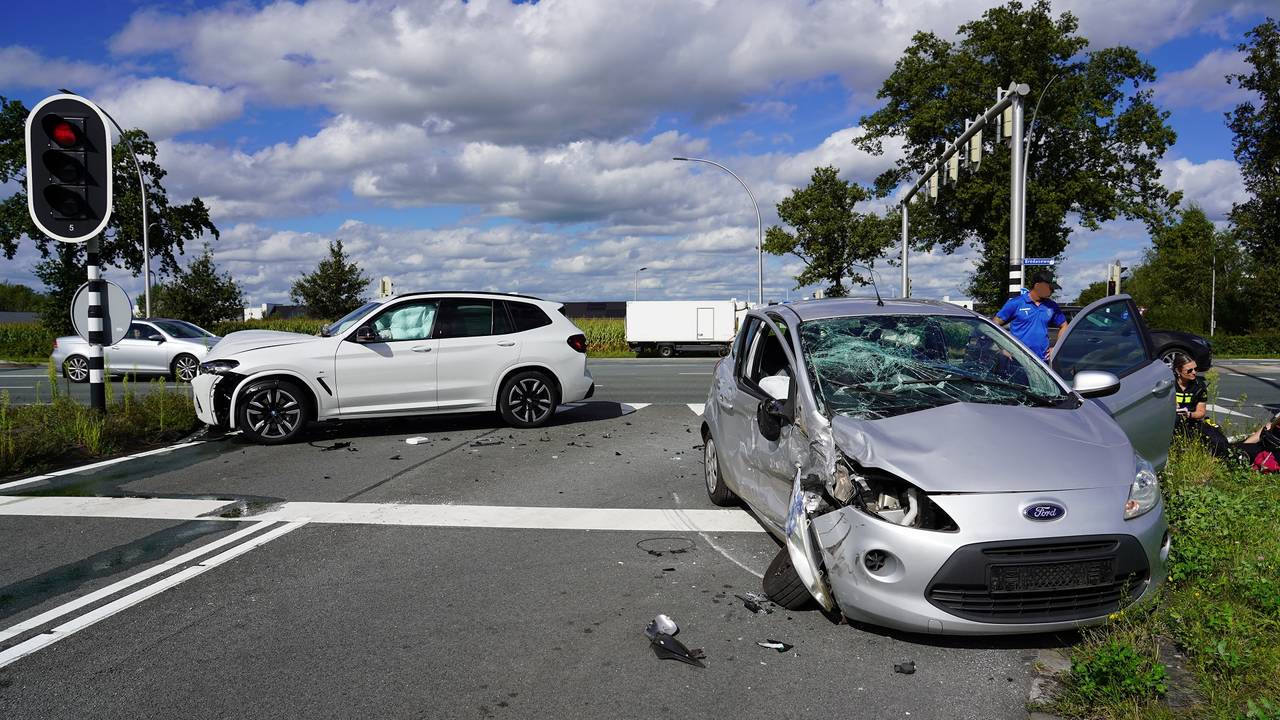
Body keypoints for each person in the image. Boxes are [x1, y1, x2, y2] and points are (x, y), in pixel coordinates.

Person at [993, 272, 1068, 360]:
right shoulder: (1016, 303)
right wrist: (1003, 348)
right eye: (1050, 288)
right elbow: (994, 324)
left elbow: (1064, 326)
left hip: (1042, 361)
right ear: (1037, 286)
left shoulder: (1052, 306)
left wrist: (1056, 348)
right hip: (1018, 361)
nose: (1052, 291)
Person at [1171, 352, 1229, 458]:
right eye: (1189, 370)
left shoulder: (1199, 386)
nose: (1194, 372)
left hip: (1192, 421)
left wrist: (1189, 414)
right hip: (1170, 422)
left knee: (1218, 441)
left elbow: (1201, 412)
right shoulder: (1169, 384)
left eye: (1195, 369)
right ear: (1178, 371)